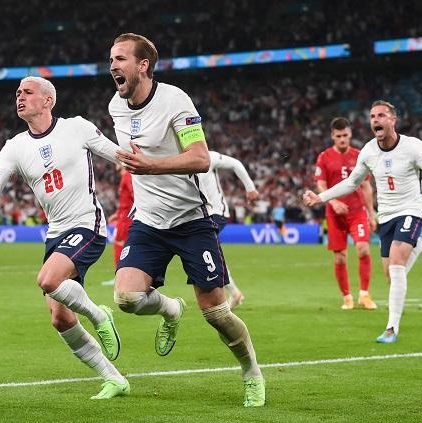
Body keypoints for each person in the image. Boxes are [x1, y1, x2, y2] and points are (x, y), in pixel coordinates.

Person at [108, 33, 264, 407]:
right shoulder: (115, 105)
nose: (113, 66)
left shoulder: (176, 100)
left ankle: (252, 374)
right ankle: (171, 309)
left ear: (143, 65)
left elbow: (201, 158)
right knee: (126, 297)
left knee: (216, 312)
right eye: (111, 59)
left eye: (120, 59)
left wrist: (152, 167)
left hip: (193, 219)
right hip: (148, 220)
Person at [0, 76, 129, 400]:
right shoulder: (15, 146)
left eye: (27, 92)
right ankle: (114, 379)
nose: (19, 97)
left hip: (87, 225)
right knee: (60, 318)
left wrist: (153, 161)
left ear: (48, 100)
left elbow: (120, 156)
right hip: (56, 233)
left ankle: (101, 315)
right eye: (17, 93)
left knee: (47, 279)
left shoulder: (76, 128)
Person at [303, 100, 422, 344]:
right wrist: (320, 197)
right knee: (391, 275)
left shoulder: (413, 147)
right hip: (386, 215)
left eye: (381, 115)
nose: (375, 119)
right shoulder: (368, 151)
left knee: (397, 266)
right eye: (372, 116)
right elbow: (352, 183)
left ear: (392, 120)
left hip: (411, 210)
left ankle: (391, 328)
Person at [314, 117, 377, 310]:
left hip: (357, 211)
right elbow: (321, 184)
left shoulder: (360, 155)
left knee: (363, 249)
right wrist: (332, 202)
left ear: (350, 134)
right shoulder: (324, 157)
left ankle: (364, 295)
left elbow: (366, 186)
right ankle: (347, 296)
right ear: (333, 136)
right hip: (334, 214)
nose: (342, 139)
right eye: (338, 136)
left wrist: (371, 213)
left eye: (345, 135)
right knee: (340, 257)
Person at [198, 150, 259, 309]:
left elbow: (235, 163)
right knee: (208, 253)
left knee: (208, 253)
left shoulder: (207, 156)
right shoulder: (176, 162)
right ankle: (234, 293)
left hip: (216, 212)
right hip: (199, 216)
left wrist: (250, 188)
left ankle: (228, 294)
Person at [102, 164, 134, 286]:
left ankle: (120, 277)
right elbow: (126, 202)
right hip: (123, 217)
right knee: (123, 246)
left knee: (119, 244)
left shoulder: (128, 177)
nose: (115, 165)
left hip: (127, 220)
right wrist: (117, 214)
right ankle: (126, 275)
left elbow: (134, 197)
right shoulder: (125, 177)